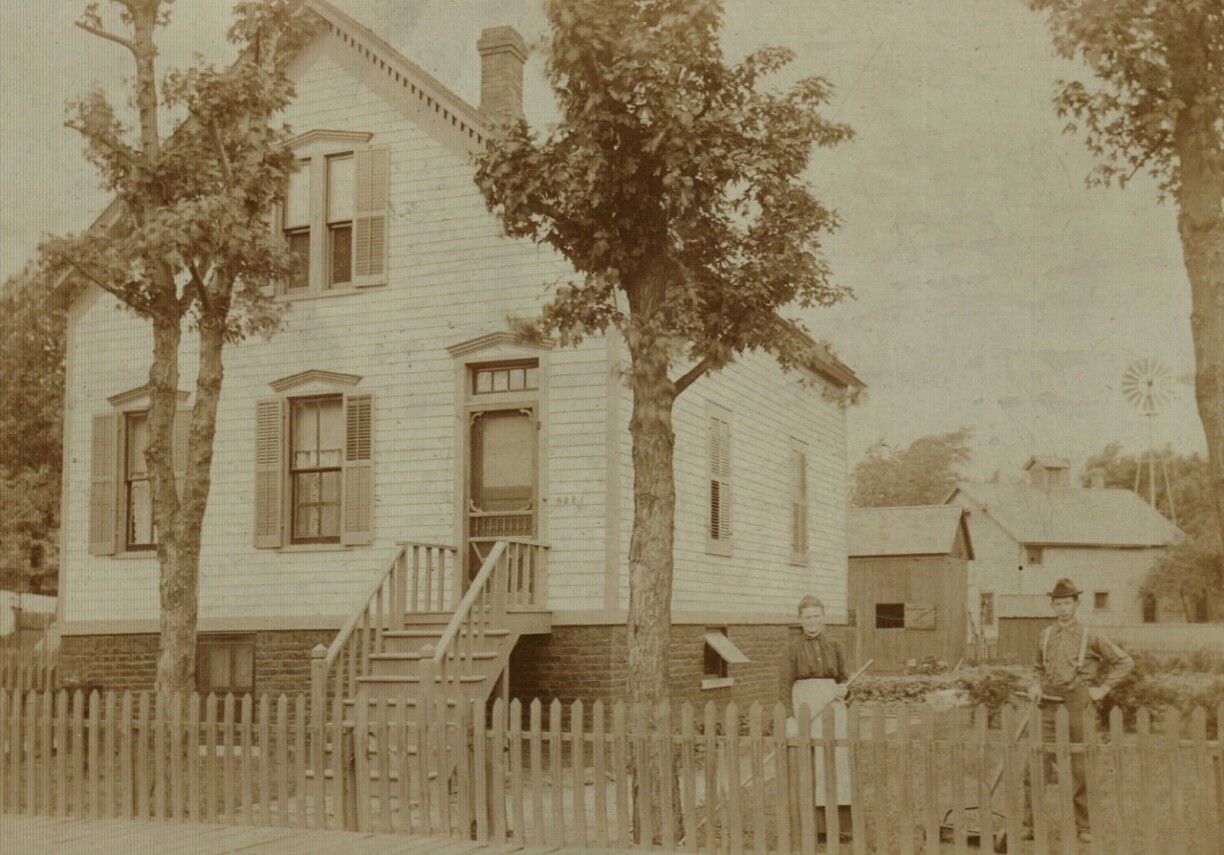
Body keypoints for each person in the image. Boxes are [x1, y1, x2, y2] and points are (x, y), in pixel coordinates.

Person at [1017, 577, 1133, 847]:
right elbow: (1037, 667)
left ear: (1076, 604)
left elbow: (1124, 662)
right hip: (1047, 702)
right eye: (1057, 603)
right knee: (1034, 765)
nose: (1062, 609)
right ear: (1052, 605)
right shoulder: (1045, 635)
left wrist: (1102, 689)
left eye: (1066, 603)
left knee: (1081, 769)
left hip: (1078, 703)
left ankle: (1085, 827)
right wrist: (1034, 684)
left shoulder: (1090, 635)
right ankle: (1029, 826)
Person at [780, 595, 851, 839]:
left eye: (816, 616)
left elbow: (843, 677)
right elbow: (784, 684)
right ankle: (814, 826)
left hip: (833, 704)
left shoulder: (834, 645)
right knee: (811, 761)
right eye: (807, 617)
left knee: (835, 758)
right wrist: (790, 717)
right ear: (800, 620)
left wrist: (844, 689)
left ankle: (839, 826)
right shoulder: (792, 648)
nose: (812, 621)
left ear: (823, 618)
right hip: (805, 704)